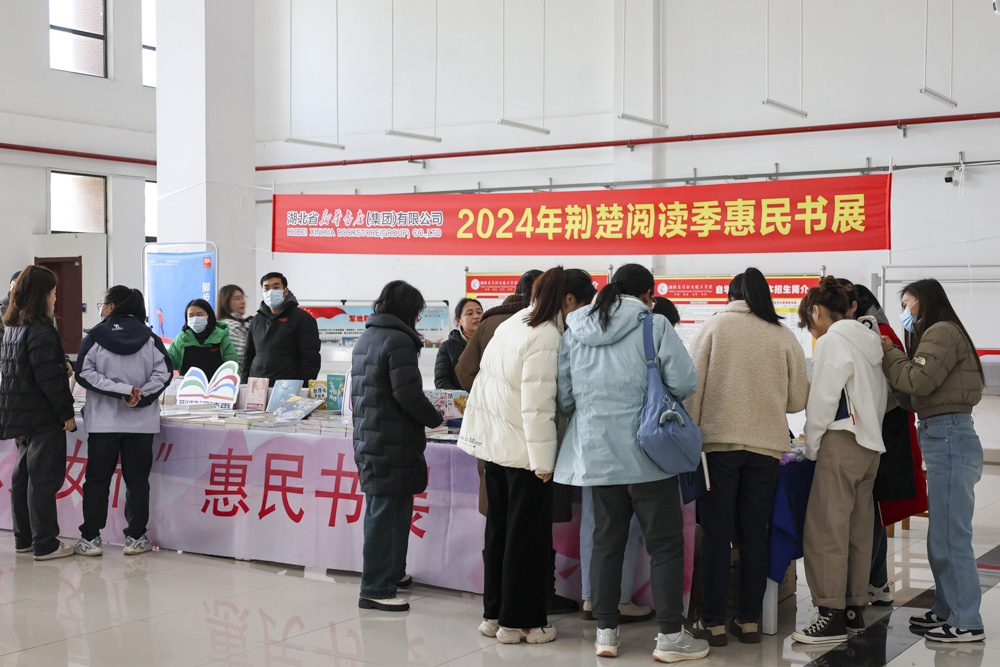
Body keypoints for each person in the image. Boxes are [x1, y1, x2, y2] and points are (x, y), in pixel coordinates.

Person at [554, 264, 708, 662]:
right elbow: (685, 382)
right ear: (647, 295)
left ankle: (606, 633)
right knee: (666, 545)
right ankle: (670, 637)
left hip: (597, 456)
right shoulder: (654, 325)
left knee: (606, 543)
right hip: (648, 455)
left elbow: (565, 397)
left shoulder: (576, 329)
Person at [459, 267, 596, 646]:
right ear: (569, 300)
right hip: (523, 455)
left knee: (500, 534)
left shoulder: (516, 321)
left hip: (494, 448)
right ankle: (523, 624)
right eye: (583, 306)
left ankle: (494, 615)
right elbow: (538, 407)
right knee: (528, 541)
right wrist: (543, 462)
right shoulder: (546, 335)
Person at [686, 269, 809, 647]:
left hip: (718, 449)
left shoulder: (713, 327)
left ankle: (713, 622)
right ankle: (750, 620)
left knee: (717, 534)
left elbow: (691, 390)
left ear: (730, 296)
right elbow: (797, 400)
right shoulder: (783, 335)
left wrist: (694, 432)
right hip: (765, 450)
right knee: (756, 534)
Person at [880, 279, 986, 643]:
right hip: (943, 435)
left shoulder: (940, 331)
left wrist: (891, 353)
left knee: (952, 535)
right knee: (941, 534)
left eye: (907, 304)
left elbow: (917, 381)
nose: (904, 312)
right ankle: (946, 609)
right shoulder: (938, 333)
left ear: (924, 301)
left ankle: (967, 621)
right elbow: (914, 396)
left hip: (950, 437)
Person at [791, 277, 888, 645]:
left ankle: (829, 615)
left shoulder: (833, 340)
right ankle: (852, 611)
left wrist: (812, 445)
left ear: (817, 310)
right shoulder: (869, 340)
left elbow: (823, 400)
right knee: (857, 533)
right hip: (870, 447)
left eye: (808, 321)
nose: (810, 329)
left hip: (842, 441)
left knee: (825, 531)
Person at [352, 281, 444, 611]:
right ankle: (375, 588)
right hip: (390, 440)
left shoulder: (368, 336)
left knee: (392, 511)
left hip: (374, 436)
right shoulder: (399, 340)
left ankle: (393, 573)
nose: (418, 318)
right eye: (417, 312)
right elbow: (408, 394)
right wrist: (437, 418)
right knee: (386, 515)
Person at [845, 281, 927, 608]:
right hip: (885, 431)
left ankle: (876, 582)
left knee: (874, 510)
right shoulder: (879, 329)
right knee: (874, 511)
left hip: (886, 434)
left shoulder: (877, 333)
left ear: (855, 306)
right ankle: (875, 581)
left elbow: (891, 390)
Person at [73, 287, 172, 557]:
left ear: (112, 306)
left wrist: (120, 390)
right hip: (141, 424)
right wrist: (138, 395)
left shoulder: (95, 337)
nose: (101, 309)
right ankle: (136, 537)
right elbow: (163, 374)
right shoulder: (151, 339)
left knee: (97, 481)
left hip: (103, 423)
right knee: (137, 481)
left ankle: (90, 538)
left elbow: (84, 373)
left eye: (102, 304)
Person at [0, 265, 76, 560]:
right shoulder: (41, 330)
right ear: (40, 294)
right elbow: (49, 379)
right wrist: (66, 413)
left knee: (23, 477)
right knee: (43, 479)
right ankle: (45, 544)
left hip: (20, 414)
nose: (55, 298)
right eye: (53, 292)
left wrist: (59, 364)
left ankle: (24, 539)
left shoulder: (13, 327)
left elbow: (26, 369)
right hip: (43, 416)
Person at [244, 272, 321, 385]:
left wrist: (302, 387)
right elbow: (248, 356)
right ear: (262, 293)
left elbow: (310, 358)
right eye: (266, 288)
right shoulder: (256, 321)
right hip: (257, 388)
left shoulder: (302, 319)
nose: (271, 292)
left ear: (285, 291)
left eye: (276, 287)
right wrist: (244, 384)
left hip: (287, 388)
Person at [166, 299, 238, 377]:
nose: (195, 319)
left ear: (208, 316)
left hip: (217, 384)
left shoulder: (222, 338)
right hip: (188, 384)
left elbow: (232, 366)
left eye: (199, 315)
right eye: (191, 316)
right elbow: (169, 362)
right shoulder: (181, 339)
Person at [434, 298, 482, 389]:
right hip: (460, 397)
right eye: (470, 313)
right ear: (458, 321)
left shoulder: (492, 342)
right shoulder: (447, 347)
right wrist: (460, 396)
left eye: (479, 312)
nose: (476, 316)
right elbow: (441, 380)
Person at [217, 285, 251, 376]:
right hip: (238, 377)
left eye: (243, 297)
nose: (242, 302)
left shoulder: (224, 323)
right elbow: (243, 356)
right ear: (225, 302)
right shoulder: (231, 326)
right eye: (237, 298)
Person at [0, 270, 21, 340]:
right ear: (10, 287)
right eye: (15, 287)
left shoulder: (31, 307)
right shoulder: (1, 306)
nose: (18, 290)